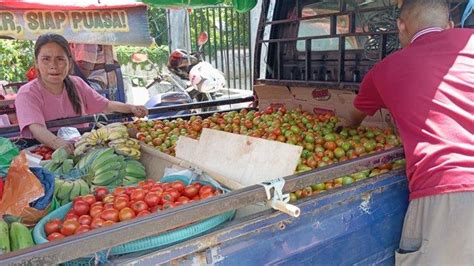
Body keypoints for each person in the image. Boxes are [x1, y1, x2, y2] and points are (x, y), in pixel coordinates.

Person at [345, 0, 474, 265]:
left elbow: (352, 118)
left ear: (400, 26)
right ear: (449, 25)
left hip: (447, 193)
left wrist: (344, 131)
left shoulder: (385, 69)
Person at [15, 33, 148, 153]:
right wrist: (58, 143)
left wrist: (131, 108)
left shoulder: (77, 84)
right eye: (46, 59)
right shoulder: (27, 93)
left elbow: (106, 105)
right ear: (36, 63)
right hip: (43, 152)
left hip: (80, 148)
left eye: (60, 59)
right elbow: (36, 128)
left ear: (69, 62)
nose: (53, 65)